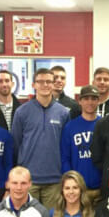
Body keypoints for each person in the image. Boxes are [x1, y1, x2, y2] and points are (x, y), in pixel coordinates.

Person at [12, 68, 70, 208]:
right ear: (34, 85)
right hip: (28, 180)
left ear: (53, 84)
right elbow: (15, 144)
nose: (45, 85)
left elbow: (66, 147)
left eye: (49, 81)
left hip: (54, 180)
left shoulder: (63, 112)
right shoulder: (22, 112)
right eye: (41, 81)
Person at [60, 85, 103, 205]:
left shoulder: (104, 124)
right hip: (78, 189)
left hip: (101, 188)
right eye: (86, 98)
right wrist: (72, 183)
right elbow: (65, 158)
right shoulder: (70, 127)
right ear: (80, 101)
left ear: (98, 101)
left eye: (94, 99)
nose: (90, 102)